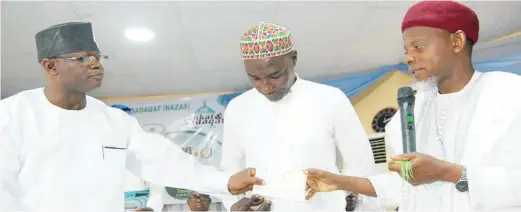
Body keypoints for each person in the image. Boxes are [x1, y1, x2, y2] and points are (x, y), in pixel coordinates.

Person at [0, 22, 264, 212]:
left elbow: (164, 161)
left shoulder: (114, 122)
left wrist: (225, 182)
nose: (96, 64)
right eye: (82, 58)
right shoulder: (13, 116)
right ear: (50, 66)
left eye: (97, 57)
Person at [303, 1, 521, 211]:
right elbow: (405, 188)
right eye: (406, 50)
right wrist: (339, 182)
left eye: (418, 47)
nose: (408, 58)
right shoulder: (410, 113)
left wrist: (449, 172)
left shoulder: (508, 95)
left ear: (456, 42)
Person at [219, 22, 376, 212]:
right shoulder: (238, 108)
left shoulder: (330, 98)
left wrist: (351, 199)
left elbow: (360, 163)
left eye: (275, 75)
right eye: (255, 78)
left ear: (293, 59)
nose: (266, 87)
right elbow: (230, 170)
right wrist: (234, 206)